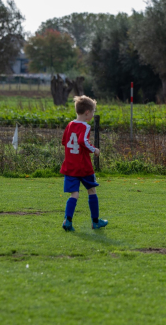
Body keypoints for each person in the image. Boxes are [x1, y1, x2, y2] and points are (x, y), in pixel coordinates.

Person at [60, 95, 108, 231]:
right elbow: (82, 141)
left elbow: (64, 141)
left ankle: (67, 221)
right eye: (93, 112)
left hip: (70, 165)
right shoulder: (85, 127)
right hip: (83, 166)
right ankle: (95, 222)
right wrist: (95, 150)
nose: (93, 115)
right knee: (91, 190)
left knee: (74, 194)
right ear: (87, 112)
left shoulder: (70, 125)